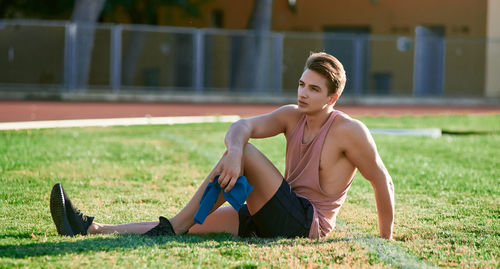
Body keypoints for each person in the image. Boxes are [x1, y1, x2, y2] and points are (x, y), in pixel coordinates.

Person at [49, 52, 394, 240]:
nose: (303, 93)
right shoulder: (292, 116)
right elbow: (241, 126)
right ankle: (92, 229)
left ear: (333, 96)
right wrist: (232, 153)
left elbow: (382, 180)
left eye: (314, 89)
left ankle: (176, 225)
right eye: (301, 84)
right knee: (194, 224)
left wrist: (386, 239)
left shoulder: (350, 131)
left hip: (307, 224)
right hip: (272, 215)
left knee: (242, 155)